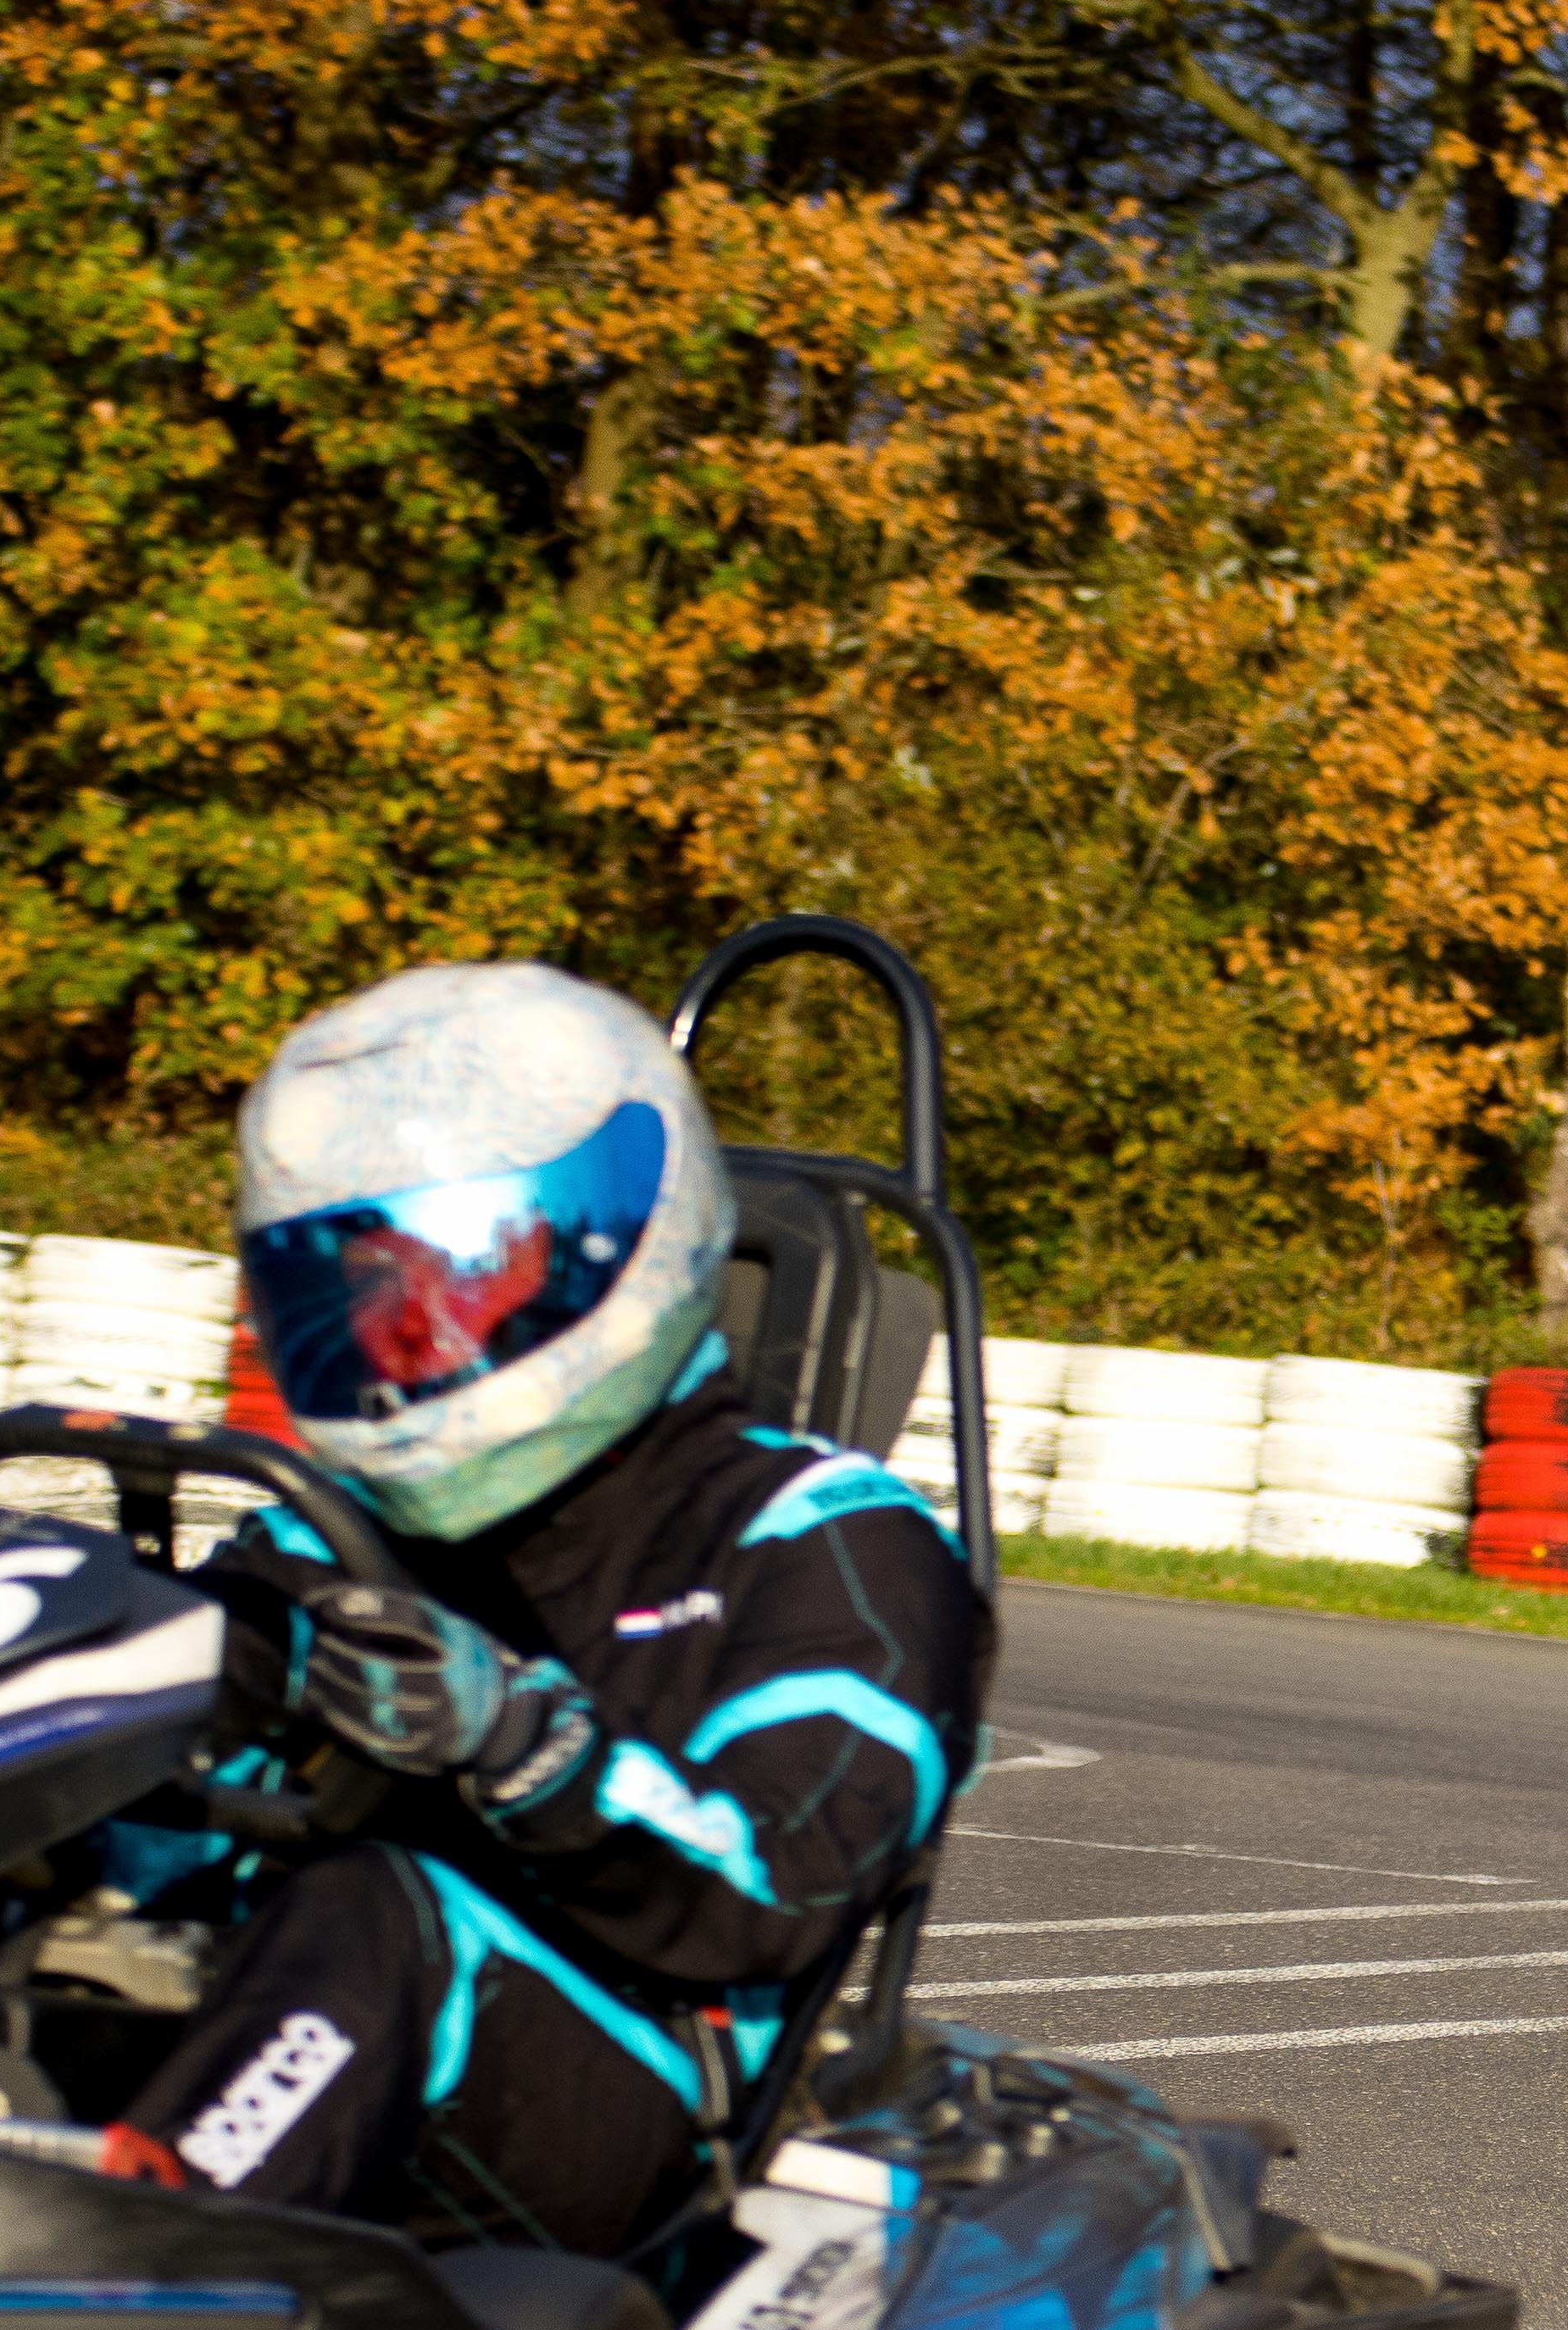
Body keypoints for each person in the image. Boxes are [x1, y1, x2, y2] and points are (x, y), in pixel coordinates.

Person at [104, 961, 991, 2251]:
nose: (406, 1335)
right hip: (311, 2026)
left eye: (458, 1277)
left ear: (610, 1247)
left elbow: (776, 1889)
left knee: (381, 1908)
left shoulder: (830, 1540)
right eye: (363, 1285)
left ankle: (117, 2275)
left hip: (642, 2092)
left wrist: (525, 1743)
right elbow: (163, 1805)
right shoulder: (323, 1536)